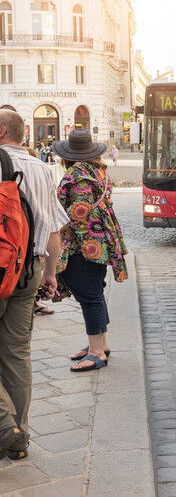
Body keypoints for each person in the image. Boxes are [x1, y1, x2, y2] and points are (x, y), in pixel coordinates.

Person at [0, 109, 68, 461]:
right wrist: (50, 273)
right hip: (29, 268)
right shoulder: (43, 170)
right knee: (16, 354)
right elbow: (55, 230)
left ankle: (3, 425)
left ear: (1, 131)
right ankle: (20, 438)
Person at [52, 130, 128, 372]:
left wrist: (60, 237)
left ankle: (96, 353)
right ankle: (100, 344)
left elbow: (78, 213)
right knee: (95, 291)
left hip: (84, 245)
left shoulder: (76, 175)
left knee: (89, 295)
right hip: (100, 240)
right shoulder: (97, 171)